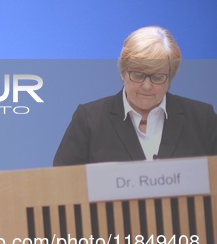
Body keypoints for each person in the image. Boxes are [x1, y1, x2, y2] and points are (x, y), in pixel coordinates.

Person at [54, 26, 217, 166]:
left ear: (171, 76)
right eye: (138, 75)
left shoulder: (203, 119)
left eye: (158, 76)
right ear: (123, 72)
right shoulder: (89, 120)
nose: (147, 86)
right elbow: (62, 185)